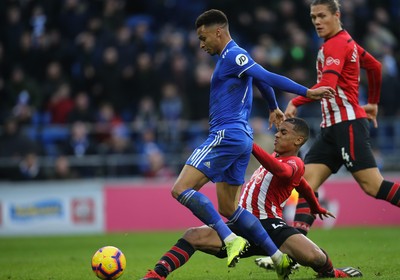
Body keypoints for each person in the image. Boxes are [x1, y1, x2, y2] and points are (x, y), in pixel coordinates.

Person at [161, 9, 335, 280]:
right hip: (241, 138)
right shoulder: (236, 58)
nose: (201, 44)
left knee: (180, 189)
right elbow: (257, 77)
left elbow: (267, 75)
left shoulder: (232, 54)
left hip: (226, 134)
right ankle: (277, 257)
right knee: (229, 208)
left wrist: (306, 91)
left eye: (203, 37)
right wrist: (274, 106)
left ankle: (230, 238)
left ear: (218, 31)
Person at [141, 118, 362, 279]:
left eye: (283, 132)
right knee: (192, 236)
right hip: (242, 224)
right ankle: (157, 274)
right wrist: (315, 206)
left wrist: (250, 145)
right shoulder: (277, 159)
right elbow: (303, 185)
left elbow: (285, 173)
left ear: (298, 140)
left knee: (315, 257)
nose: (277, 134)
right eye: (278, 130)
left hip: (271, 227)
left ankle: (333, 274)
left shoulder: (295, 163)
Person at [281, 0, 400, 239]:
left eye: (322, 16)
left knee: (372, 186)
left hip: (347, 126)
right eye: (314, 17)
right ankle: (297, 250)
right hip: (331, 129)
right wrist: (373, 103)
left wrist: (296, 101)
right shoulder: (347, 42)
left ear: (337, 15)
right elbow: (375, 67)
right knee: (306, 187)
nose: (317, 22)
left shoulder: (336, 44)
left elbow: (328, 86)